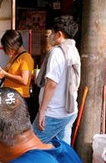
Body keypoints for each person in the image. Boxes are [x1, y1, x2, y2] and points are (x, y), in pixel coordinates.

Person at [33, 16, 81, 144]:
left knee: (31, 146)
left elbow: (52, 84)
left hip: (54, 113)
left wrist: (42, 111)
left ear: (59, 34)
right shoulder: (73, 50)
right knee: (62, 150)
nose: (51, 36)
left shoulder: (57, 52)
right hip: (70, 111)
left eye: (53, 33)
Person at [0, 30, 34, 98]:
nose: (5, 50)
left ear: (11, 45)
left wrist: (5, 74)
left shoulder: (26, 57)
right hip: (9, 95)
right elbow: (9, 76)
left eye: (6, 47)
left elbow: (24, 80)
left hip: (19, 97)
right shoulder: (15, 56)